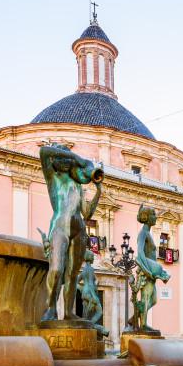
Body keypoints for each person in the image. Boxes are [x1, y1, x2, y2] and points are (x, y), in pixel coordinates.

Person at [39, 143, 102, 323]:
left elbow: (87, 212)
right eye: (62, 159)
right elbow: (43, 151)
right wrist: (75, 157)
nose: (66, 162)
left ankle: (67, 312)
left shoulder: (77, 184)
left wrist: (98, 192)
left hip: (79, 229)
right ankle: (51, 308)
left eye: (68, 159)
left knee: (72, 274)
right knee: (57, 269)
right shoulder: (52, 177)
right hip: (60, 226)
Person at [128, 205, 169, 334]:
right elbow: (140, 254)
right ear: (146, 217)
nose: (155, 217)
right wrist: (147, 271)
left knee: (153, 300)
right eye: (153, 214)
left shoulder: (148, 233)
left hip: (150, 271)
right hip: (147, 272)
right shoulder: (143, 233)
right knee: (146, 298)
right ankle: (143, 325)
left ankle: (134, 318)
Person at [77, 247, 107, 337]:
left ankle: (86, 331)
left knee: (86, 315)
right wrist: (94, 296)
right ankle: (90, 326)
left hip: (85, 293)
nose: (94, 258)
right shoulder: (90, 269)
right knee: (99, 311)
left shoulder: (84, 270)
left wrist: (81, 289)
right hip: (90, 293)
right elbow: (90, 284)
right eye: (93, 257)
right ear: (90, 258)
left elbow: (76, 282)